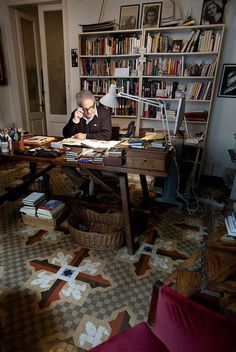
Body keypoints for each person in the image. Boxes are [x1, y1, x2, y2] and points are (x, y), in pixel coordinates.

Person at [63, 90, 112, 197]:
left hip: (98, 151)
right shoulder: (76, 114)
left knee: (90, 164)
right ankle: (83, 185)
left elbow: (107, 135)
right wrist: (75, 120)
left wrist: (85, 136)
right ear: (80, 107)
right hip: (81, 150)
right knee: (65, 163)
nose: (89, 112)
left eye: (92, 107)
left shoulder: (104, 113)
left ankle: (97, 186)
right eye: (85, 109)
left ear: (95, 103)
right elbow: (66, 134)